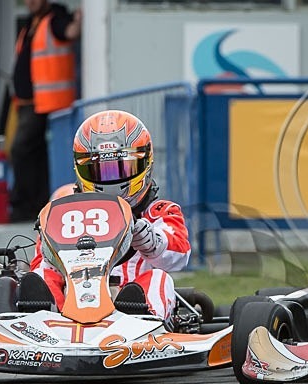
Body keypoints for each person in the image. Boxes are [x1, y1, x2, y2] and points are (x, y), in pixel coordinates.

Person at [25, 110, 191, 321]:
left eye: (121, 168)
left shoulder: (159, 212)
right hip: (69, 308)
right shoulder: (65, 214)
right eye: (101, 171)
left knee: (159, 278)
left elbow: (180, 255)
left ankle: (140, 319)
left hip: (129, 304)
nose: (111, 179)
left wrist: (151, 240)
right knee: (40, 275)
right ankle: (38, 320)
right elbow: (40, 262)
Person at [9, 0, 82, 222]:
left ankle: (25, 206)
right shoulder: (32, 24)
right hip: (28, 102)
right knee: (35, 156)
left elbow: (70, 32)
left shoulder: (55, 19)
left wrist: (82, 17)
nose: (30, 2)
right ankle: (33, 205)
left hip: (45, 102)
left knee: (21, 150)